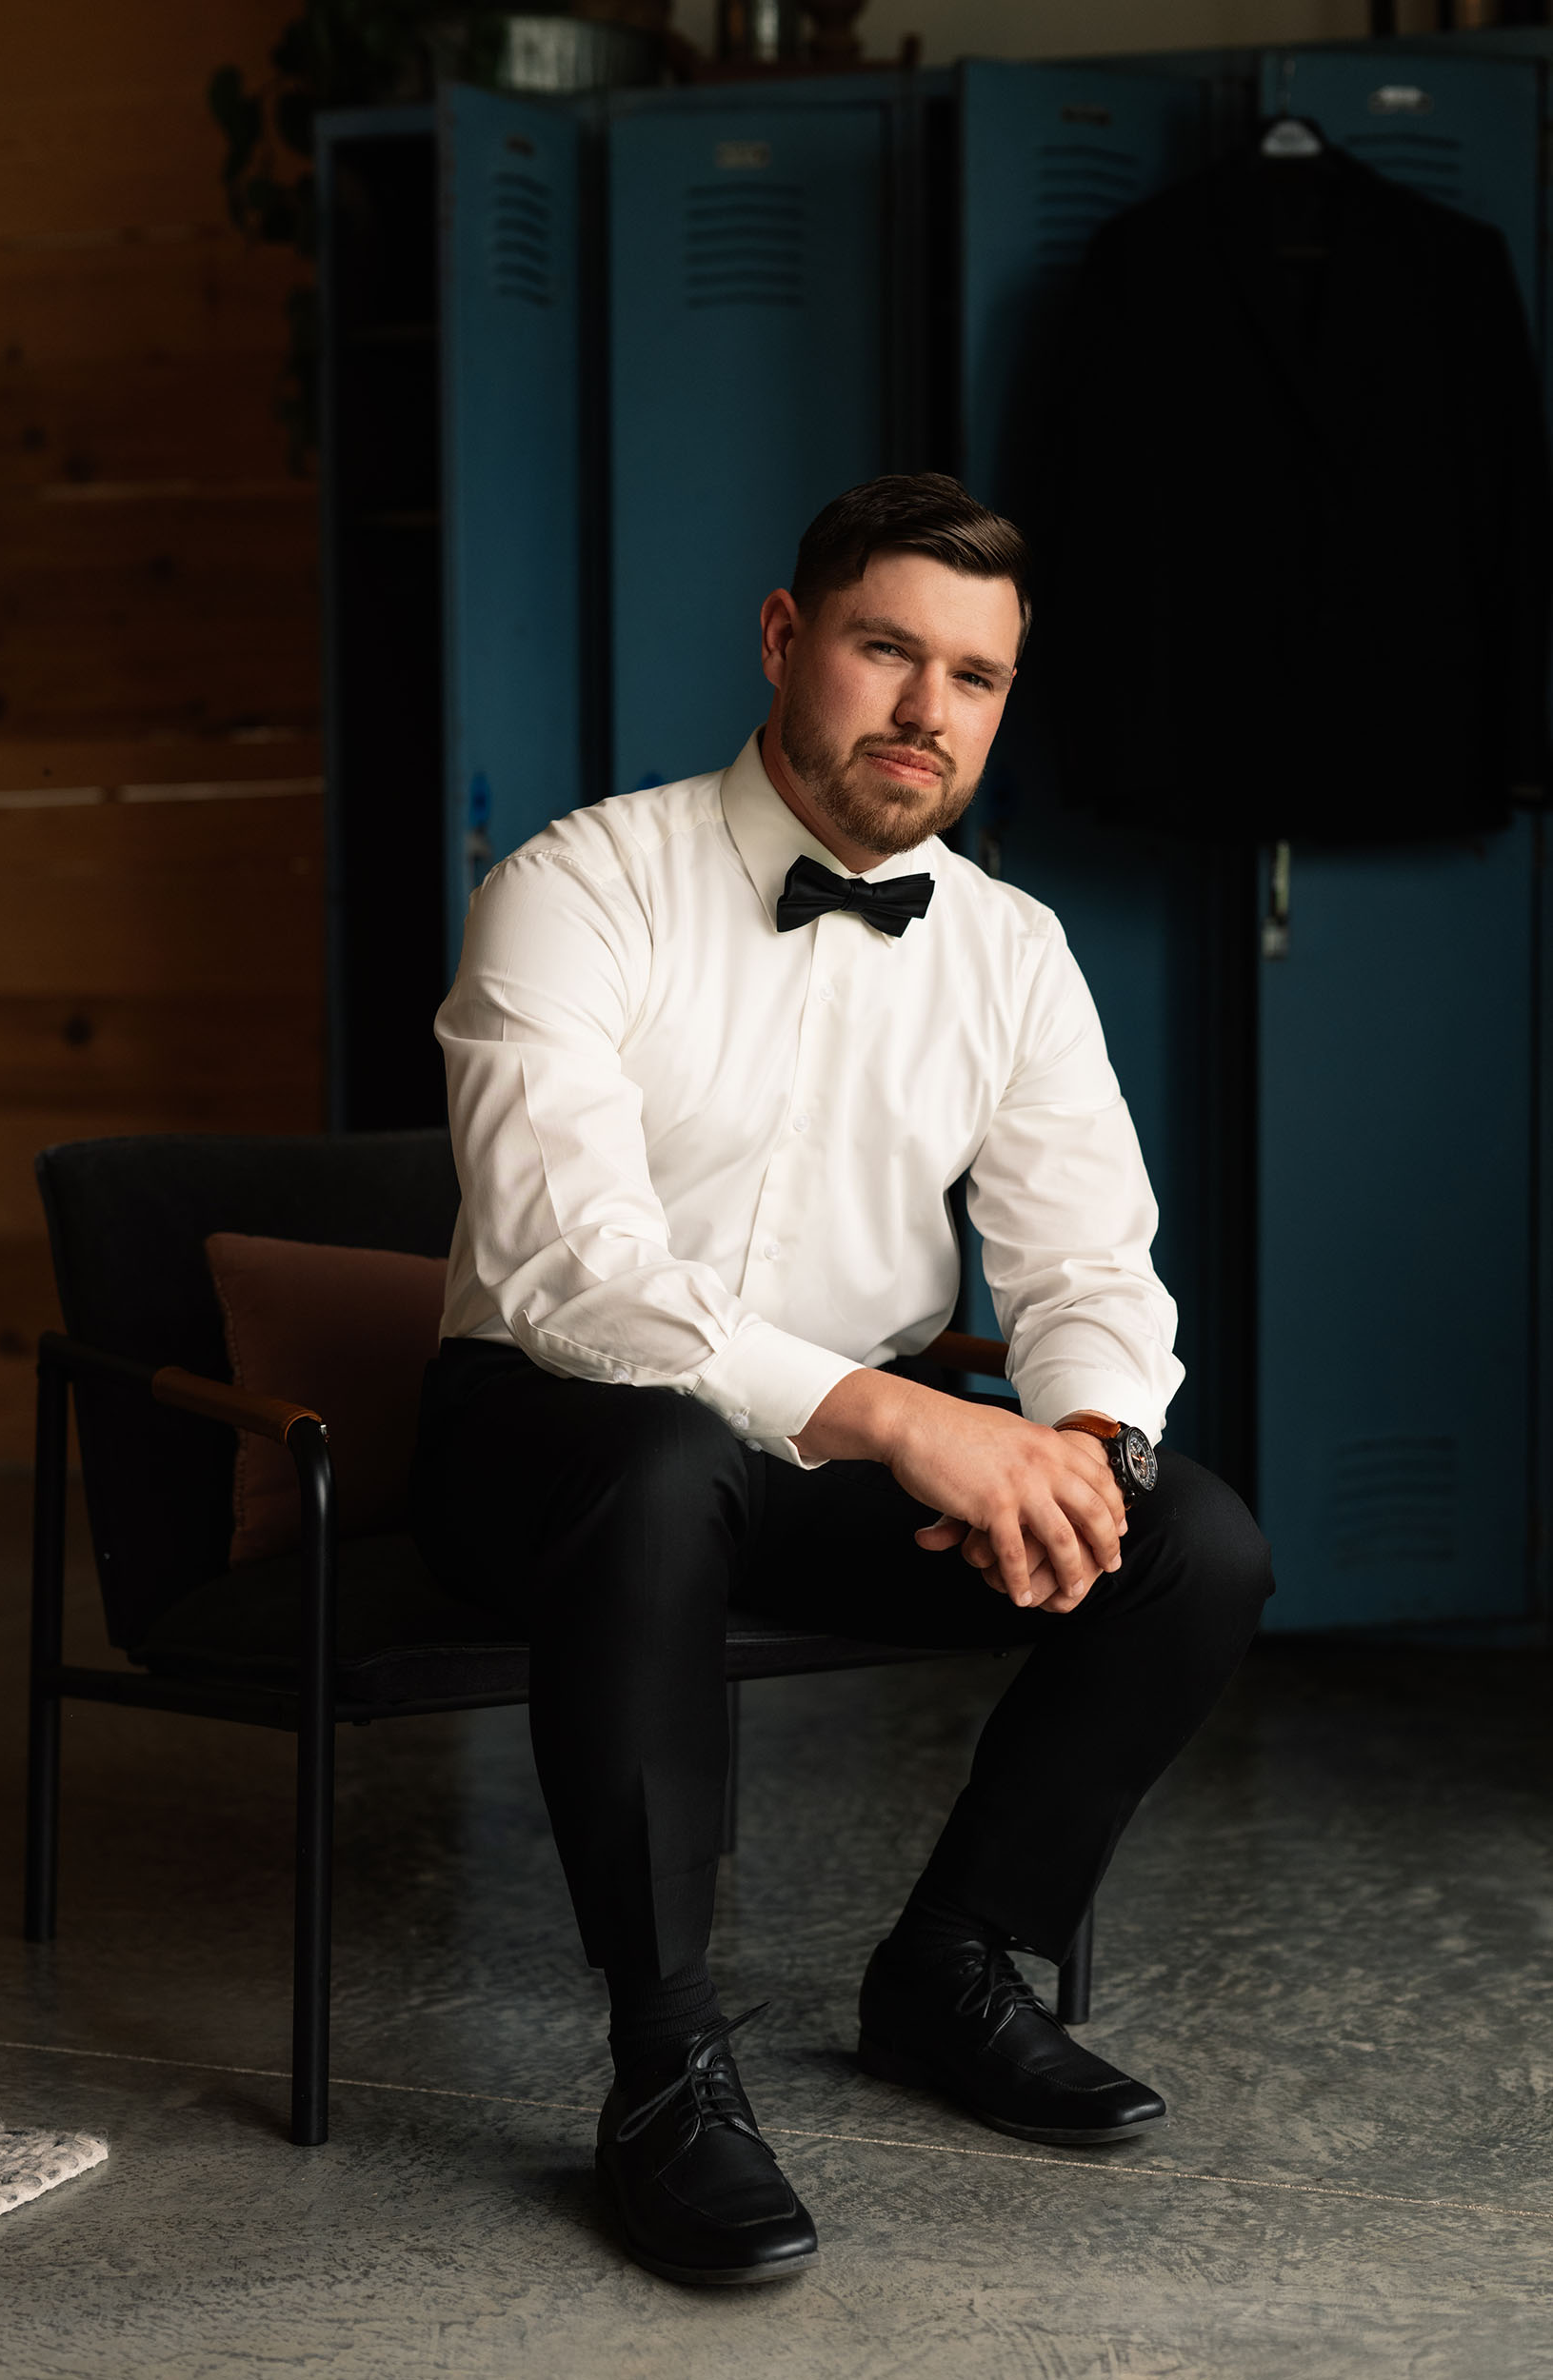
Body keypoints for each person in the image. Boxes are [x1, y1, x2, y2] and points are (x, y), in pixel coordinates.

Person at [411, 473, 1272, 2288]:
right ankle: (662, 2073)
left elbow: (1091, 1266)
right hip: (547, 1451)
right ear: (789, 639)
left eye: (975, 677)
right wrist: (909, 1423)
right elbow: (578, 1274)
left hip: (819, 1466)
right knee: (656, 1463)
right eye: (890, 650)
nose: (926, 712)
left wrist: (1087, 1448)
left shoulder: (1013, 951)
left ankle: (949, 1968)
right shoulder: (578, 884)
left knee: (1191, 1534)